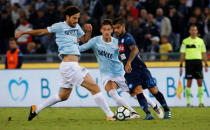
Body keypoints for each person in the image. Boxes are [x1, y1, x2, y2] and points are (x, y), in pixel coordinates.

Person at [15, 6, 116, 121]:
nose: (76, 21)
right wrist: (24, 32)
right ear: (67, 17)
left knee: (63, 96)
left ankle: (36, 109)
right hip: (70, 66)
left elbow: (84, 39)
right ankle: (110, 115)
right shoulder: (59, 26)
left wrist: (89, 32)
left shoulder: (76, 26)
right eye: (74, 18)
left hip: (68, 66)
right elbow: (42, 31)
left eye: (78, 18)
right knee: (95, 88)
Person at [79, 19, 163, 119]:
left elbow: (130, 52)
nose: (106, 32)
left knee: (135, 94)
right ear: (101, 30)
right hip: (106, 75)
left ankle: (155, 106)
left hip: (120, 73)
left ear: (112, 31)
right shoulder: (95, 41)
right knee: (112, 93)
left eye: (109, 29)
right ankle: (133, 113)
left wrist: (134, 64)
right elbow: (80, 48)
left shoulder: (117, 43)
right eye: (104, 29)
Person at [113, 18, 171, 120]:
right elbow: (123, 54)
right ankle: (148, 114)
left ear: (123, 27)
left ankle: (166, 110)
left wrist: (129, 62)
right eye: (114, 28)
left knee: (153, 90)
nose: (116, 30)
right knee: (138, 91)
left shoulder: (128, 38)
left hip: (140, 69)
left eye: (118, 28)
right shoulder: (119, 41)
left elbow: (135, 49)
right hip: (130, 72)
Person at [179, 25, 208, 107]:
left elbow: (203, 54)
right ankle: (188, 103)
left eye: (195, 30)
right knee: (189, 83)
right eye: (192, 30)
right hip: (189, 63)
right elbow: (182, 54)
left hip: (198, 63)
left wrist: (206, 64)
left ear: (197, 31)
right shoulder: (185, 41)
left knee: (200, 82)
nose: (194, 31)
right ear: (189, 31)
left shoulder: (201, 41)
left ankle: (201, 102)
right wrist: (180, 66)